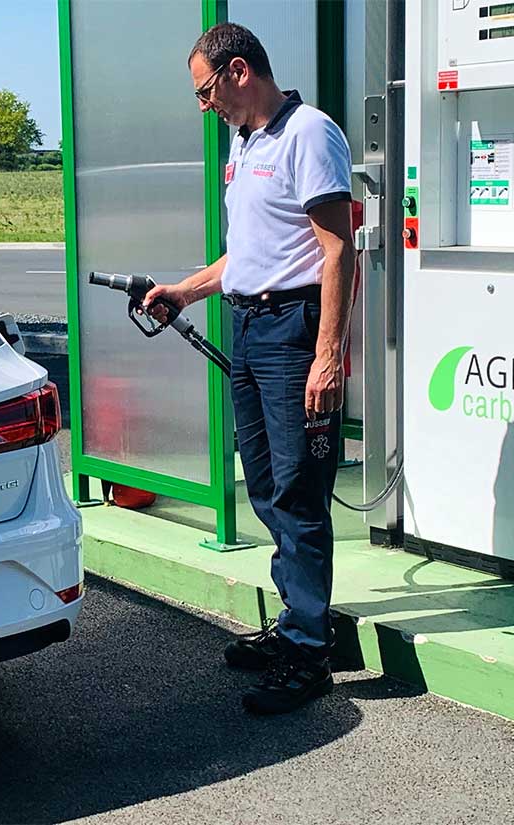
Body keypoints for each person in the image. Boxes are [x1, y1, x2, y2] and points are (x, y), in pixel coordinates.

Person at [142, 22, 354, 715]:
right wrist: (185, 290)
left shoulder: (308, 134)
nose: (205, 106)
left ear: (238, 71)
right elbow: (249, 254)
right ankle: (300, 622)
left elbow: (336, 251)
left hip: (293, 334)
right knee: (264, 485)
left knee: (297, 491)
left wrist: (327, 356)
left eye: (206, 91)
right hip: (249, 326)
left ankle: (307, 653)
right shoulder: (246, 143)